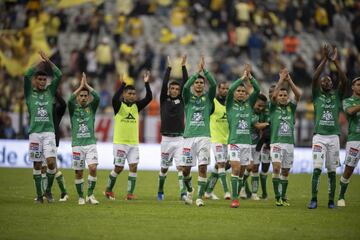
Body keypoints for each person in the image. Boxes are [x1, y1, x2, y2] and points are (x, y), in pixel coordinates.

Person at [308, 45, 347, 209]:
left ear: (332, 84)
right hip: (319, 137)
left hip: (334, 138)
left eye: (329, 80)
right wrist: (324, 59)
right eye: (324, 80)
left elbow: (344, 80)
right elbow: (314, 78)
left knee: (332, 171)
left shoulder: (337, 95)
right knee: (317, 169)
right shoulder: (316, 95)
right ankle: (314, 199)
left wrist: (335, 61)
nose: (325, 81)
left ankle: (331, 201)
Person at [104, 71, 152, 200]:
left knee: (134, 167)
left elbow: (149, 98)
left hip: (133, 143)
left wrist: (146, 83)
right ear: (124, 94)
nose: (132, 96)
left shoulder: (137, 107)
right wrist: (123, 84)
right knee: (119, 168)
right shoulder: (118, 106)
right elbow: (114, 98)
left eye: (134, 94)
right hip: (120, 142)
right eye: (129, 93)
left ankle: (130, 194)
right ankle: (108, 190)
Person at [24, 51, 62, 203]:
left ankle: (48, 191)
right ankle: (39, 196)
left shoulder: (50, 92)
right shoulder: (29, 93)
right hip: (34, 133)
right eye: (39, 79)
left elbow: (59, 75)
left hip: (48, 133)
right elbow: (26, 75)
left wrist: (48, 62)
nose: (42, 82)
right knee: (37, 165)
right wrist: (38, 64)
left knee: (51, 163)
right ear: (35, 81)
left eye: (44, 79)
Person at [181, 56, 216, 207]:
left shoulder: (208, 98)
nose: (199, 84)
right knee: (185, 170)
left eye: (202, 82)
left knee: (202, 167)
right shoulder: (187, 97)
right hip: (188, 137)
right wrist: (196, 73)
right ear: (194, 84)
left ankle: (200, 197)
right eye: (197, 82)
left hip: (204, 137)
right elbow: (184, 87)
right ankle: (190, 189)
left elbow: (214, 84)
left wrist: (205, 71)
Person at [226, 64, 260, 208]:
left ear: (246, 95)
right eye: (238, 91)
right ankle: (235, 199)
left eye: (243, 91)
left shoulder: (249, 104)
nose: (240, 93)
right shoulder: (229, 105)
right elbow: (230, 90)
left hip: (247, 143)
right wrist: (241, 78)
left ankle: (236, 192)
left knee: (241, 172)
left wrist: (250, 78)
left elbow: (257, 89)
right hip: (234, 142)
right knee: (235, 168)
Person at [157, 55, 188, 201]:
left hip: (180, 139)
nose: (175, 90)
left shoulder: (182, 100)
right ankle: (160, 190)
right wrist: (169, 68)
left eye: (177, 88)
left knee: (181, 167)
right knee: (164, 168)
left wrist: (183, 67)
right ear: (169, 90)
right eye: (172, 88)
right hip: (166, 140)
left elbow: (187, 84)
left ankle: (182, 193)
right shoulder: (164, 99)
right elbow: (163, 84)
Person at [270, 69, 301, 206]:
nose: (282, 97)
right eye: (280, 95)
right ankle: (277, 197)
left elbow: (298, 94)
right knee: (276, 168)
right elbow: (273, 96)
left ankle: (283, 196)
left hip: (289, 143)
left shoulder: (291, 107)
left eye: (285, 95)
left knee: (285, 171)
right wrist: (281, 80)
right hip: (276, 143)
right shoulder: (273, 107)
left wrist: (289, 80)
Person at [68, 73, 100, 205]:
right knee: (79, 172)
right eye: (81, 96)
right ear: (78, 97)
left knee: (93, 168)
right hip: (77, 144)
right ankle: (81, 196)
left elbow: (97, 97)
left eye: (85, 96)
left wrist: (86, 85)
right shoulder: (73, 108)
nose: (83, 98)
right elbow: (69, 100)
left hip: (90, 143)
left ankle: (90, 195)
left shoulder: (91, 108)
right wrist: (80, 86)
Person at [38, 91, 68, 202]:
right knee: (47, 168)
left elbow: (64, 104)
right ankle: (61, 192)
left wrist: (55, 92)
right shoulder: (40, 108)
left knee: (49, 166)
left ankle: (49, 192)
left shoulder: (56, 110)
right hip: (40, 139)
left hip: (52, 139)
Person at [204, 81, 231, 200]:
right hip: (215, 138)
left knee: (219, 166)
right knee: (221, 164)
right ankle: (227, 192)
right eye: (223, 88)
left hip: (226, 139)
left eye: (227, 89)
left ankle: (207, 192)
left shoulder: (230, 104)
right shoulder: (213, 102)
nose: (225, 91)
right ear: (218, 90)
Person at [337, 77, 360, 207]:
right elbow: (350, 111)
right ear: (353, 87)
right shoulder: (348, 101)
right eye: (358, 84)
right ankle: (341, 197)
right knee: (349, 169)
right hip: (355, 140)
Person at [248, 93, 269, 200]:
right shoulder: (249, 111)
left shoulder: (263, 113)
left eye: (263, 106)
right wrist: (268, 124)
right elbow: (257, 125)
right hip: (246, 143)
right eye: (259, 105)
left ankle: (254, 193)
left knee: (255, 168)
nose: (260, 108)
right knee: (247, 167)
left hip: (256, 144)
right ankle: (242, 187)